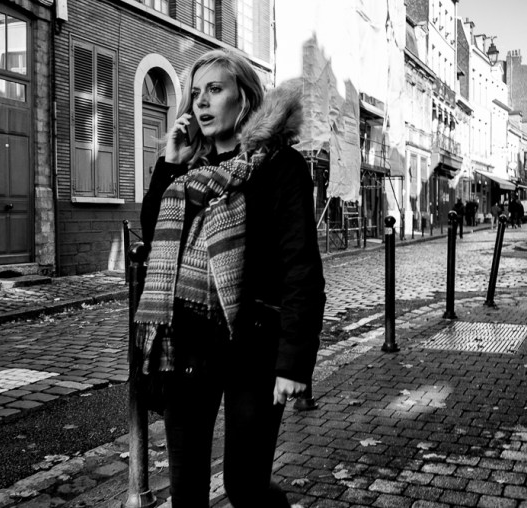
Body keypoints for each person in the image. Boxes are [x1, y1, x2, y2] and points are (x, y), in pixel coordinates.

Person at [136, 49, 325, 508]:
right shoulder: (190, 171)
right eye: (196, 93)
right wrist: (169, 163)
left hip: (254, 345)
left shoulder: (280, 167)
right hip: (188, 342)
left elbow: (301, 267)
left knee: (245, 486)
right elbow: (155, 234)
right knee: (186, 494)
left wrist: (293, 363)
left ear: (244, 98)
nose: (201, 102)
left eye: (215, 90)